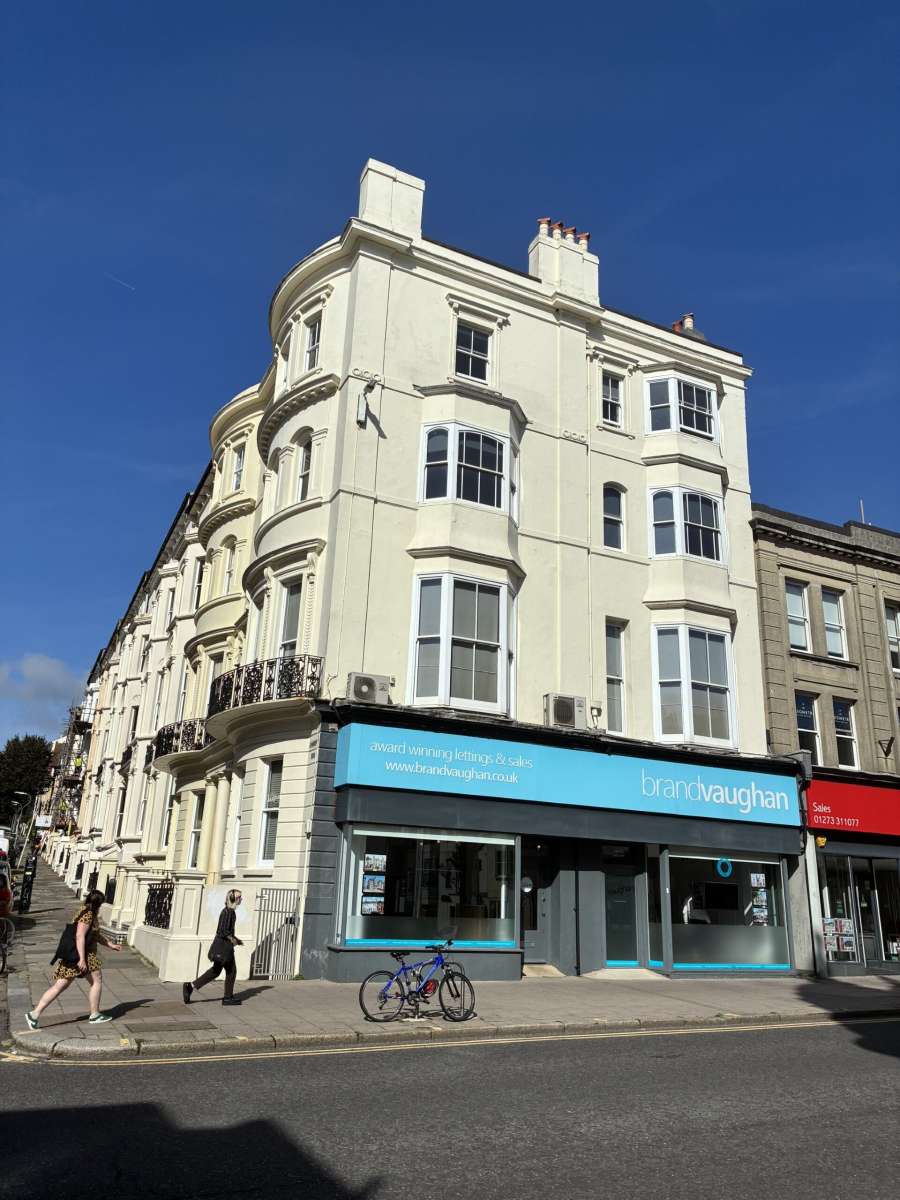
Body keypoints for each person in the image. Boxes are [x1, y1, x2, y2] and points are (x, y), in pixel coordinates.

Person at [25, 888, 122, 1029]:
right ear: (98, 904)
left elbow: (94, 935)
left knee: (60, 986)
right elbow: (79, 936)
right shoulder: (88, 914)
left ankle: (34, 1014)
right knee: (96, 980)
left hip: (76, 955)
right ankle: (95, 1015)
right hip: (82, 955)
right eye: (101, 904)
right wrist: (82, 959)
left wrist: (110, 945)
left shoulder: (85, 911)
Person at [183, 889, 244, 1006]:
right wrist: (233, 939)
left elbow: (224, 930)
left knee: (216, 971)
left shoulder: (228, 911)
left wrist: (236, 940)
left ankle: (190, 986)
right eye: (239, 897)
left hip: (224, 946)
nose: (241, 899)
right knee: (231, 971)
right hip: (224, 947)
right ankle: (227, 997)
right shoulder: (229, 912)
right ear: (233, 899)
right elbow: (222, 931)